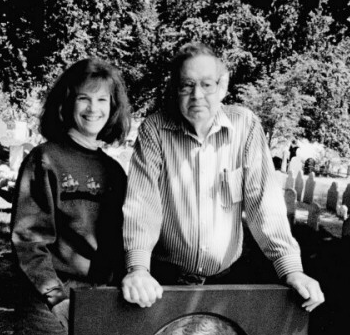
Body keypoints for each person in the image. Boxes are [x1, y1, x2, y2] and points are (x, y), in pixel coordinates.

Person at [122, 42, 324, 310]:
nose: (197, 95)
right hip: (161, 282)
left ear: (223, 86)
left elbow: (263, 203)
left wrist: (292, 270)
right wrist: (138, 268)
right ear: (175, 89)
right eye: (187, 85)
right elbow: (142, 203)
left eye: (207, 85)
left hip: (225, 282)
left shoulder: (245, 126)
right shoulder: (155, 129)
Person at [10, 58, 130, 335]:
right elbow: (28, 236)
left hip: (98, 305)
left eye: (103, 100)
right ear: (67, 103)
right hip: (50, 306)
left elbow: (121, 243)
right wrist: (53, 295)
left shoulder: (115, 171)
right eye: (84, 98)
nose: (94, 108)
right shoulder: (45, 159)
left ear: (114, 109)